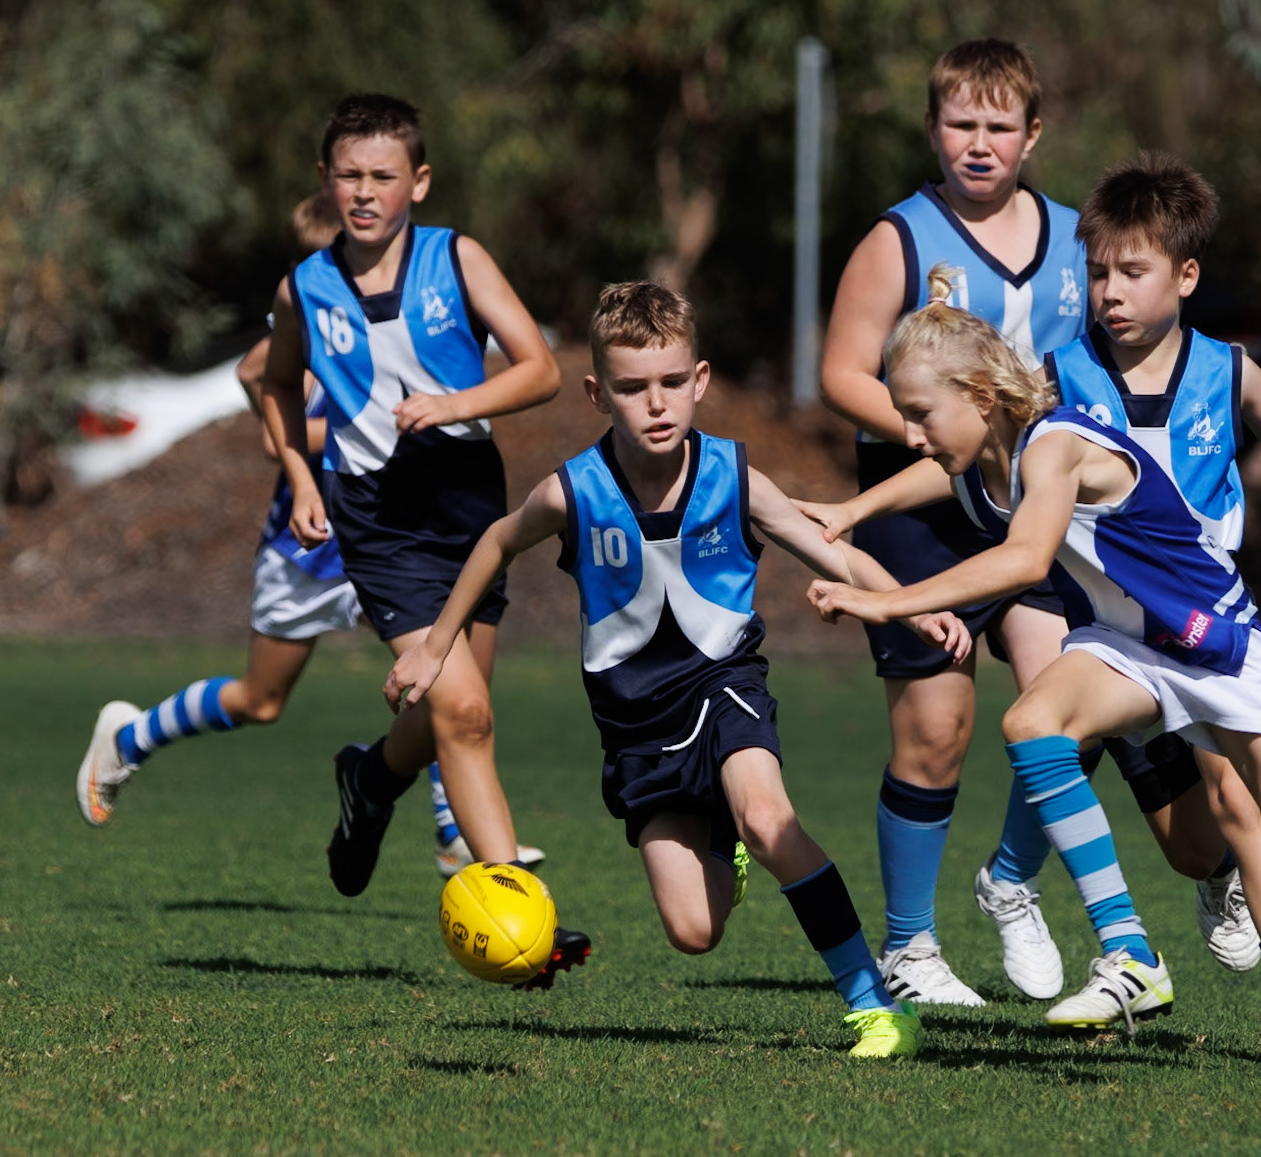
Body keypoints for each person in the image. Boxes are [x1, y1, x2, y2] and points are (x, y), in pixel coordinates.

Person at [807, 256, 1261, 1078]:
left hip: (1220, 650)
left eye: (919, 414)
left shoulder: (1052, 446)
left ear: (979, 397)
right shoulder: (981, 461)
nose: (910, 433)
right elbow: (936, 475)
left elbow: (1024, 559)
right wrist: (852, 510)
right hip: (1127, 649)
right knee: (1032, 723)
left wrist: (888, 601)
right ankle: (1129, 949)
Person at [384, 280, 972, 1056]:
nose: (655, 404)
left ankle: (874, 1004)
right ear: (598, 393)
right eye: (632, 387)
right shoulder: (572, 491)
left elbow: (833, 551)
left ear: (699, 381)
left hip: (725, 685)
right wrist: (434, 645)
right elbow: (496, 540)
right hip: (637, 724)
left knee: (769, 817)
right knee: (694, 931)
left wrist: (912, 607)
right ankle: (725, 840)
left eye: (670, 382)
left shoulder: (734, 476)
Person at [815, 38, 1255, 1006]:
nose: (978, 143)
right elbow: (841, 372)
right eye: (960, 123)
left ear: (1033, 133)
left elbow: (1124, 357)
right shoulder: (897, 239)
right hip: (927, 499)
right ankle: (910, 947)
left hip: (1035, 498)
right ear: (932, 129)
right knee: (938, 725)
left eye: (998, 125)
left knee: (1065, 691)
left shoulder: (1074, 241)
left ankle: (1013, 880)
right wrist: (945, 435)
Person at [73, 193, 547, 870]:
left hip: (392, 528)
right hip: (312, 541)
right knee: (262, 698)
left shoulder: (411, 308)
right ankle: (130, 737)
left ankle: (453, 828)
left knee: (450, 680)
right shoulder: (314, 312)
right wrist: (334, 441)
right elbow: (258, 384)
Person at [256, 96, 565, 920]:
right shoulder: (304, 288)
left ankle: (368, 779)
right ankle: (518, 911)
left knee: (448, 715)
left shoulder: (457, 259)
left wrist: (456, 404)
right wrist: (302, 477)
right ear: (325, 180)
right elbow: (277, 385)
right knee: (462, 709)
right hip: (379, 520)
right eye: (349, 175)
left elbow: (541, 370)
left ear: (418, 182)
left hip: (471, 512)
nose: (364, 192)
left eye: (383, 176)